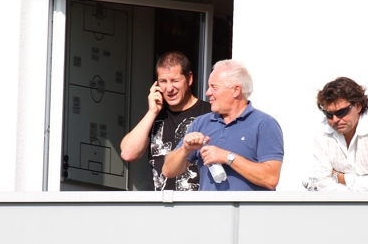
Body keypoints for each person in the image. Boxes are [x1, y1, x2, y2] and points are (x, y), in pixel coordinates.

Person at [163, 59, 284, 191]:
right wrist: (185, 149)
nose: (207, 93)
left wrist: (228, 157)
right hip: (209, 211)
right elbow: (168, 171)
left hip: (249, 211)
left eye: (214, 87)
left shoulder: (264, 124)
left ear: (236, 90)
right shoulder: (201, 123)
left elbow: (271, 178)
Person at [120, 51, 211, 191]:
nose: (169, 89)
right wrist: (152, 112)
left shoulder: (209, 114)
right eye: (163, 81)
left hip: (194, 206)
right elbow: (128, 153)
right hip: (157, 206)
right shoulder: (154, 115)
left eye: (175, 80)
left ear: (190, 79)